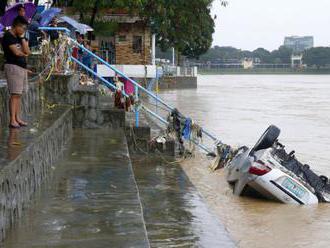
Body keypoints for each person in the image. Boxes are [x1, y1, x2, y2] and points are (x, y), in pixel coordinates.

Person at [2, 16, 31, 128]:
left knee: (19, 94)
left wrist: (23, 38)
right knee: (14, 94)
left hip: (21, 67)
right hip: (13, 67)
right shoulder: (8, 36)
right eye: (23, 28)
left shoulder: (19, 37)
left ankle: (17, 118)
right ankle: (12, 120)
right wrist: (24, 53)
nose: (24, 30)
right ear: (17, 26)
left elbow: (27, 51)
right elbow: (17, 52)